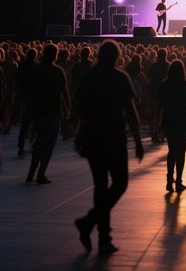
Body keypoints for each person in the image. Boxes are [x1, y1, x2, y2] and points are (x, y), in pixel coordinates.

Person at [73, 40, 144, 257]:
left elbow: (81, 108)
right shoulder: (120, 77)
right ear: (116, 56)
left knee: (100, 185)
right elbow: (130, 111)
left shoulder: (90, 77)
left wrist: (78, 133)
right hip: (114, 136)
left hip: (93, 136)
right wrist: (138, 140)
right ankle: (98, 232)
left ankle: (95, 228)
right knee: (119, 183)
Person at [25, 43, 70, 184]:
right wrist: (68, 107)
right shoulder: (58, 71)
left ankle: (31, 172)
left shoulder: (35, 70)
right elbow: (65, 91)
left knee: (39, 141)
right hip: (53, 111)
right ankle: (41, 174)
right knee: (49, 144)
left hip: (39, 110)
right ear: (55, 55)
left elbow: (29, 90)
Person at [156, 59, 186, 193]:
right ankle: (179, 180)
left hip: (168, 120)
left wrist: (156, 123)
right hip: (183, 120)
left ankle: (169, 178)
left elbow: (159, 106)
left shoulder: (164, 85)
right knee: (181, 152)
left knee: (172, 150)